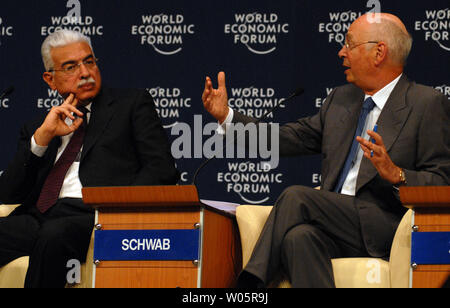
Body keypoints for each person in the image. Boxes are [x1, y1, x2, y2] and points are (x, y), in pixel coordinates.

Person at [202, 13, 449, 287]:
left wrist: (397, 174)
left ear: (379, 52)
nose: (341, 52)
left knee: (296, 197)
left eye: (349, 44)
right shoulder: (341, 100)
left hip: (386, 225)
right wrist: (228, 117)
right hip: (333, 222)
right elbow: (286, 138)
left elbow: (442, 181)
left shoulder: (426, 104)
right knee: (299, 238)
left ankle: (249, 286)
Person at [0, 30, 179, 288]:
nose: (84, 73)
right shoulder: (39, 127)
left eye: (89, 62)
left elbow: (161, 168)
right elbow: (10, 194)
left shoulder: (130, 105)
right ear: (50, 79)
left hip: (95, 216)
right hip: (39, 216)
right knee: (44, 232)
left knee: (54, 236)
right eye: (71, 67)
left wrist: (117, 211)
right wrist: (42, 139)